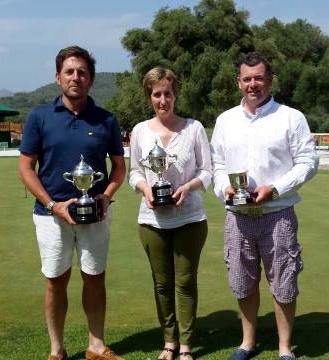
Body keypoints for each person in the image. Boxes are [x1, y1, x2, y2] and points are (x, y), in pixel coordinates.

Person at [18, 45, 126, 360]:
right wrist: (53, 205)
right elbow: (25, 168)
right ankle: (56, 351)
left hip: (96, 214)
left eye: (82, 72)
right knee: (55, 281)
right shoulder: (39, 116)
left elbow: (118, 167)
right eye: (69, 71)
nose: (75, 77)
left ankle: (95, 346)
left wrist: (106, 195)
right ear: (58, 77)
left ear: (91, 79)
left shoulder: (106, 119)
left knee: (95, 278)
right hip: (51, 216)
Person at [210, 52, 318, 360]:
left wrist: (276, 188)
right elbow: (217, 164)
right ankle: (248, 343)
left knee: (283, 281)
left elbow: (308, 162)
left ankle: (285, 349)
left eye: (259, 78)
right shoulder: (225, 120)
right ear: (239, 82)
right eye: (247, 79)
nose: (253, 84)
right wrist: (224, 189)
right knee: (242, 281)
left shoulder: (290, 117)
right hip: (237, 215)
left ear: (269, 80)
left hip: (278, 213)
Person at [128, 67, 212, 360]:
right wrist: (146, 190)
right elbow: (135, 172)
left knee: (185, 282)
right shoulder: (139, 131)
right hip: (152, 220)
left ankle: (186, 345)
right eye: (156, 94)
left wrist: (188, 187)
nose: (162, 100)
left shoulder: (194, 128)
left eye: (168, 93)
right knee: (162, 284)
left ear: (176, 95)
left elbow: (207, 170)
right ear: (149, 96)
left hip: (189, 218)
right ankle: (169, 341)